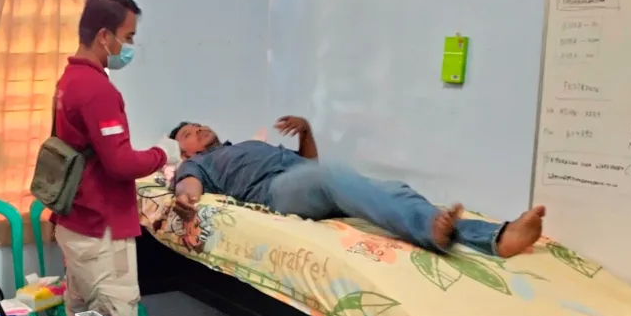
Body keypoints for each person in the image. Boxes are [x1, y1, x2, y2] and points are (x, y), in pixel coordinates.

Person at [52, 0, 178, 316]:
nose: (130, 46)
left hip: (76, 226)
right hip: (101, 232)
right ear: (104, 35)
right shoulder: (97, 89)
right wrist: (164, 154)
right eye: (128, 36)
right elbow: (121, 163)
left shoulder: (68, 80)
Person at [168, 117, 546, 257]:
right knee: (331, 176)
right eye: (189, 133)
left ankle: (495, 237)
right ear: (184, 151)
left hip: (305, 180)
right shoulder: (197, 163)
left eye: (198, 124)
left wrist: (307, 132)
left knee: (391, 188)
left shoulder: (246, 146)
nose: (198, 129)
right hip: (273, 192)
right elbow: (188, 185)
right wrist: (186, 199)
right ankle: (433, 232)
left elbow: (309, 165)